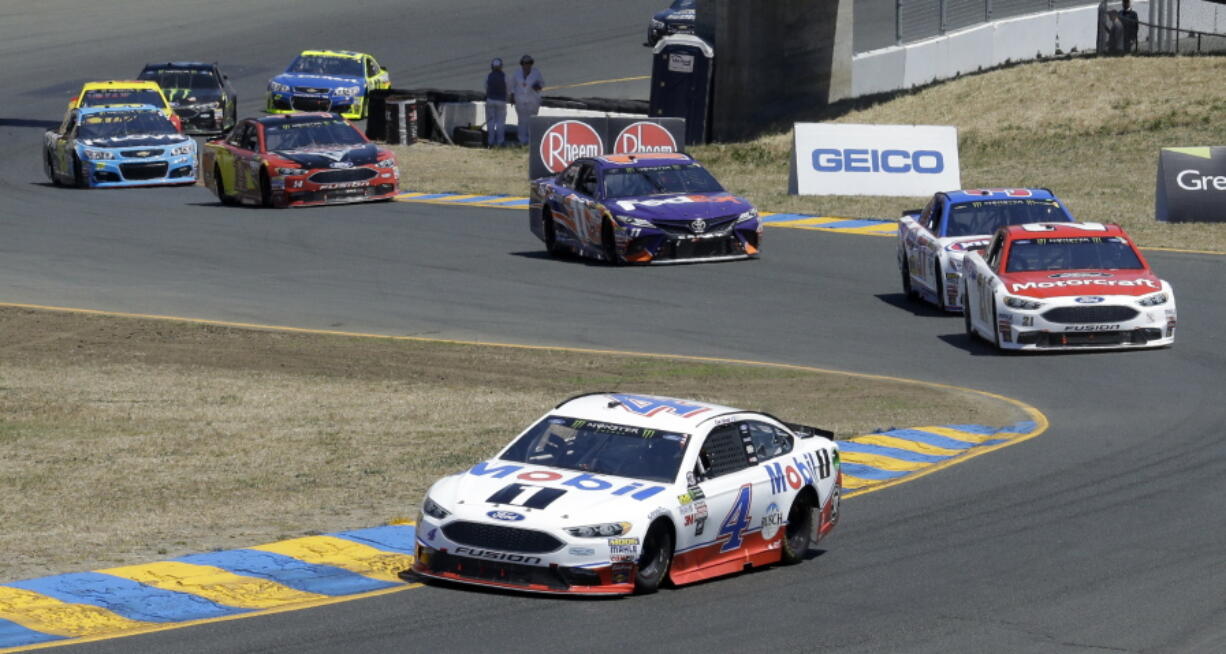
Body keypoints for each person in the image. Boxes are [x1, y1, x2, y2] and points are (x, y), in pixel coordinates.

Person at [509, 54, 544, 145]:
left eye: (529, 63)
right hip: (520, 100)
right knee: (521, 121)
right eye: (525, 63)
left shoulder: (536, 72)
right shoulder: (517, 73)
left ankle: (531, 141)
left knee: (532, 120)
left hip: (533, 101)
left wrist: (537, 86)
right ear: (522, 64)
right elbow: (512, 85)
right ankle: (522, 140)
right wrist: (512, 97)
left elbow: (542, 84)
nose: (527, 65)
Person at [484, 58, 508, 147]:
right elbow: (508, 88)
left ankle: (490, 142)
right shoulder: (505, 76)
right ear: (501, 67)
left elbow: (485, 87)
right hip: (501, 101)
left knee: (490, 122)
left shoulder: (488, 76)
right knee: (500, 122)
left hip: (490, 100)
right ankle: (500, 141)